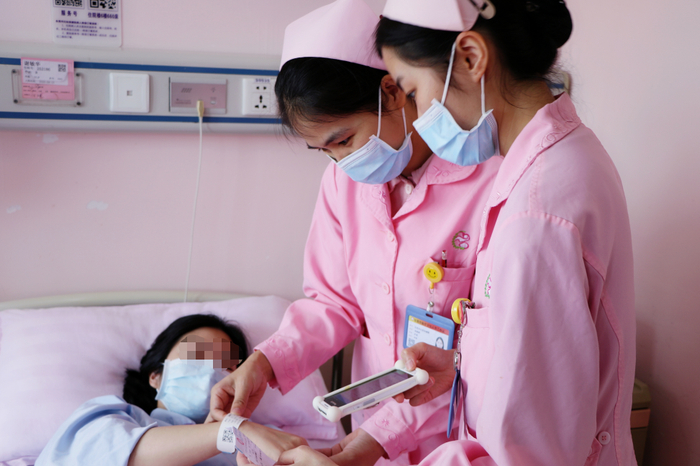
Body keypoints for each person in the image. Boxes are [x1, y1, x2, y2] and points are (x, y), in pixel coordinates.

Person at [278, 0, 637, 465]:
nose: (419, 113)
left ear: (471, 57)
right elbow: (522, 356)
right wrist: (458, 362)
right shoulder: (554, 166)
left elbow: (529, 451)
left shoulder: (534, 210)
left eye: (411, 89)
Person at [210, 0, 501, 465]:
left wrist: (381, 436)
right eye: (324, 151)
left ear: (393, 92)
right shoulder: (343, 183)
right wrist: (263, 364)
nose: (341, 163)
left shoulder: (490, 180)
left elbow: (499, 341)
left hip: (462, 430)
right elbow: (334, 302)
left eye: (344, 140)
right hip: (373, 428)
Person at [35, 314, 307, 466]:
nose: (210, 370)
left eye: (226, 365)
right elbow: (109, 455)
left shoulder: (263, 443)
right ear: (155, 376)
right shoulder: (110, 417)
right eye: (197, 355)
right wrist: (232, 430)